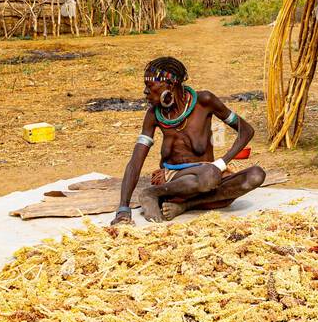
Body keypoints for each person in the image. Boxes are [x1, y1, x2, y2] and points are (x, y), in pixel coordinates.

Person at [111, 56, 266, 225]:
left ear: (169, 85)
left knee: (255, 175)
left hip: (209, 176)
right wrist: (123, 209)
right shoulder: (153, 115)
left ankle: (186, 205)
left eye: (149, 86)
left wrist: (222, 163)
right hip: (175, 180)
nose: (145, 92)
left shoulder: (204, 101)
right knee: (209, 176)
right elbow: (135, 162)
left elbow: (246, 130)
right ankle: (152, 193)